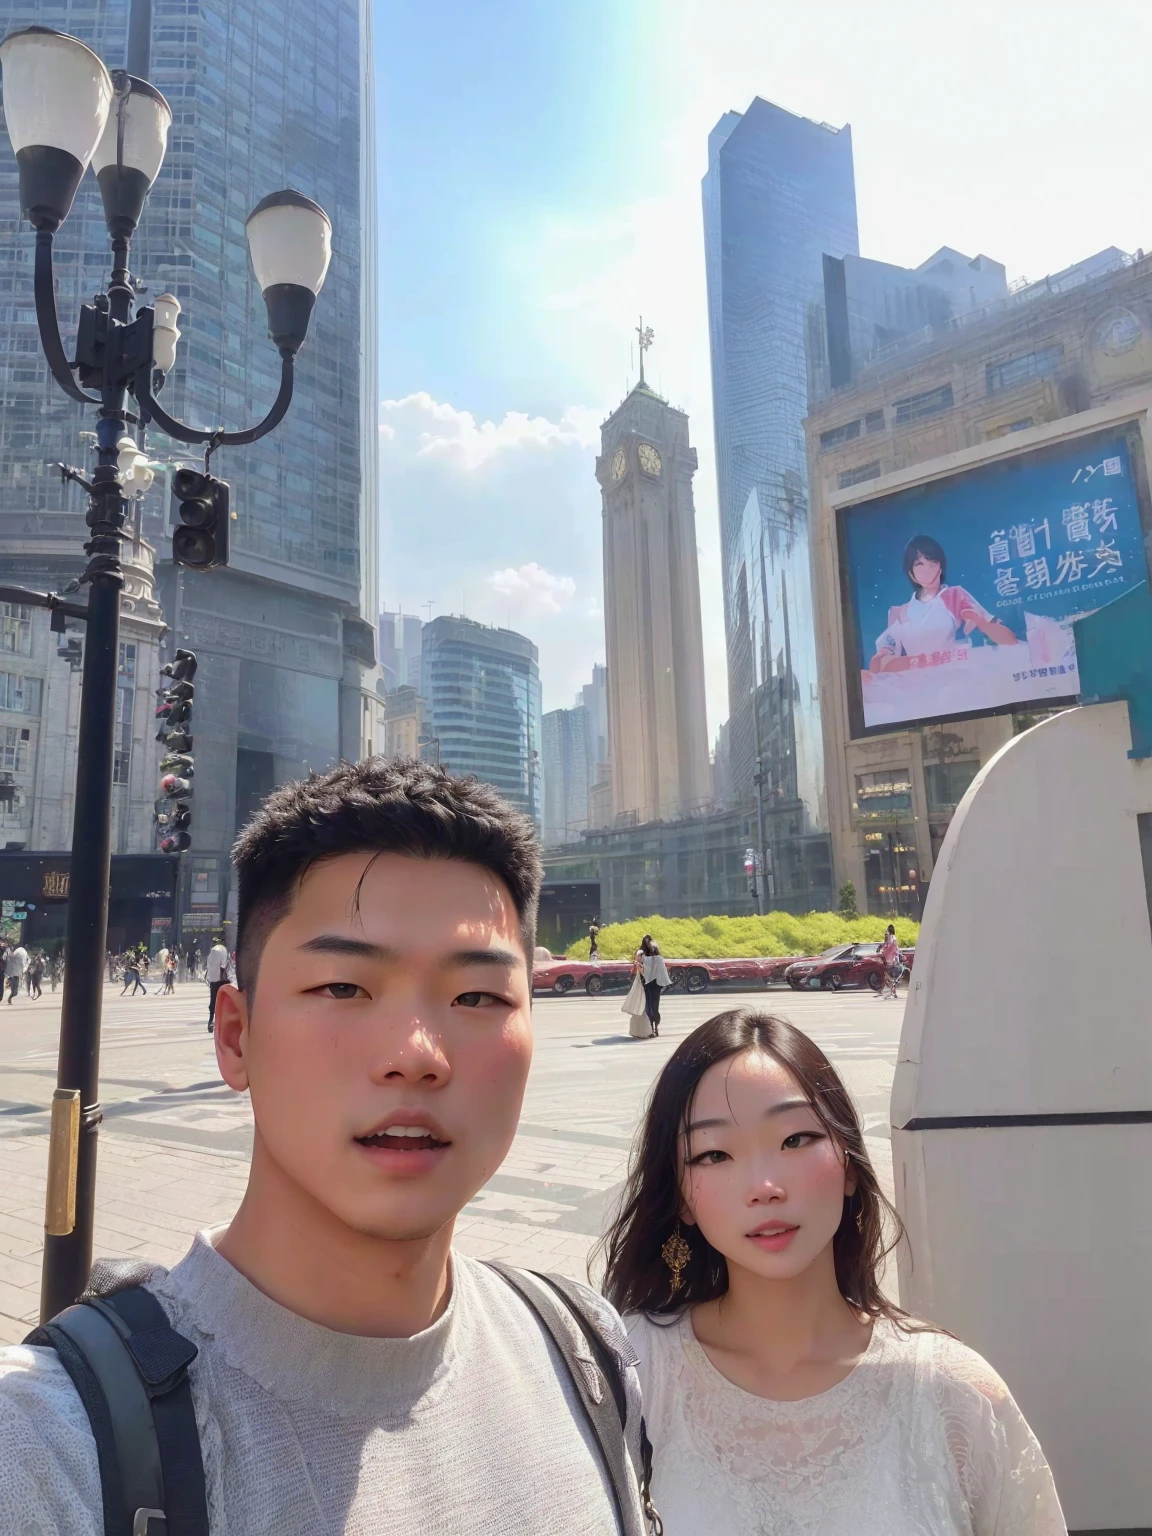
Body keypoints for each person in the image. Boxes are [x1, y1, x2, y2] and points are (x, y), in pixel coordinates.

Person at [0, 757, 651, 1534]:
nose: (417, 1053)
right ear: (236, 1037)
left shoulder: (585, 1355)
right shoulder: (49, 1447)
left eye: (477, 996)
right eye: (344, 987)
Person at [601, 1009, 1064, 1535]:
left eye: (795, 1140)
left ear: (848, 1162)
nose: (765, 1185)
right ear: (680, 1198)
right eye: (713, 1154)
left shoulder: (953, 1394)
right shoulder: (631, 1380)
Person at [869, 534, 1017, 673]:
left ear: (941, 568)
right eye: (919, 564)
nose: (927, 569)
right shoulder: (898, 613)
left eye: (933, 562)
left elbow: (1009, 641)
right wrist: (908, 661)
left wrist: (979, 621)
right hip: (913, 686)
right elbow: (879, 666)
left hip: (951, 677)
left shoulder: (954, 595)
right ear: (910, 572)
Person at [639, 935, 671, 1038]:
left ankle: (651, 1029)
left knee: (648, 1006)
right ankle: (656, 1028)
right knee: (655, 1006)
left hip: (647, 983)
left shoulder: (642, 954)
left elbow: (641, 971)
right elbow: (662, 970)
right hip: (657, 983)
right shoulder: (657, 955)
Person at [622, 946, 653, 1040]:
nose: (638, 957)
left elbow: (644, 972)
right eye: (637, 956)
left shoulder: (644, 965)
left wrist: (638, 964)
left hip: (644, 990)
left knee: (643, 1011)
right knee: (639, 1011)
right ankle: (638, 1032)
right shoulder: (639, 965)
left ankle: (644, 1032)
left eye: (639, 956)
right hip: (639, 990)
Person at [205, 936, 231, 1032]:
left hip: (212, 979)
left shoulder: (212, 951)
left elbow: (208, 964)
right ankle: (222, 1023)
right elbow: (223, 965)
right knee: (223, 1001)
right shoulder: (223, 950)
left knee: (213, 1000)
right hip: (221, 979)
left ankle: (210, 1021)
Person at [878, 923, 901, 1000]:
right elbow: (895, 948)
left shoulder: (890, 937)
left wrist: (881, 949)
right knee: (891, 976)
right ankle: (890, 991)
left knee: (888, 975)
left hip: (889, 959)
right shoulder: (894, 938)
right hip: (894, 959)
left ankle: (891, 991)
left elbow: (887, 946)